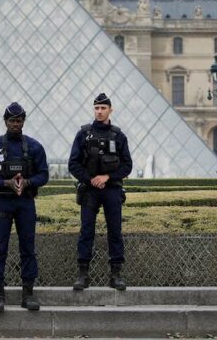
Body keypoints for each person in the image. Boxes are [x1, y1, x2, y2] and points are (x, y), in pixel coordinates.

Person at [0, 102, 49, 312]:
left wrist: (27, 183)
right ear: (5, 121)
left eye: (19, 121)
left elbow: (44, 175)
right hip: (2, 201)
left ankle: (28, 293)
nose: (15, 125)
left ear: (23, 122)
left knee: (28, 248)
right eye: (12, 121)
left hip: (25, 202)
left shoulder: (35, 147)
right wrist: (6, 183)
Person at [68, 93, 133, 291]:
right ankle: (83, 274)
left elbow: (127, 166)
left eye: (103, 108)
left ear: (110, 110)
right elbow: (73, 164)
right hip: (90, 190)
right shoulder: (83, 135)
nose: (99, 111)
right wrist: (91, 180)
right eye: (96, 108)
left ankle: (116, 274)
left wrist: (107, 178)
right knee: (86, 231)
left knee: (115, 231)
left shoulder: (119, 136)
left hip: (112, 189)